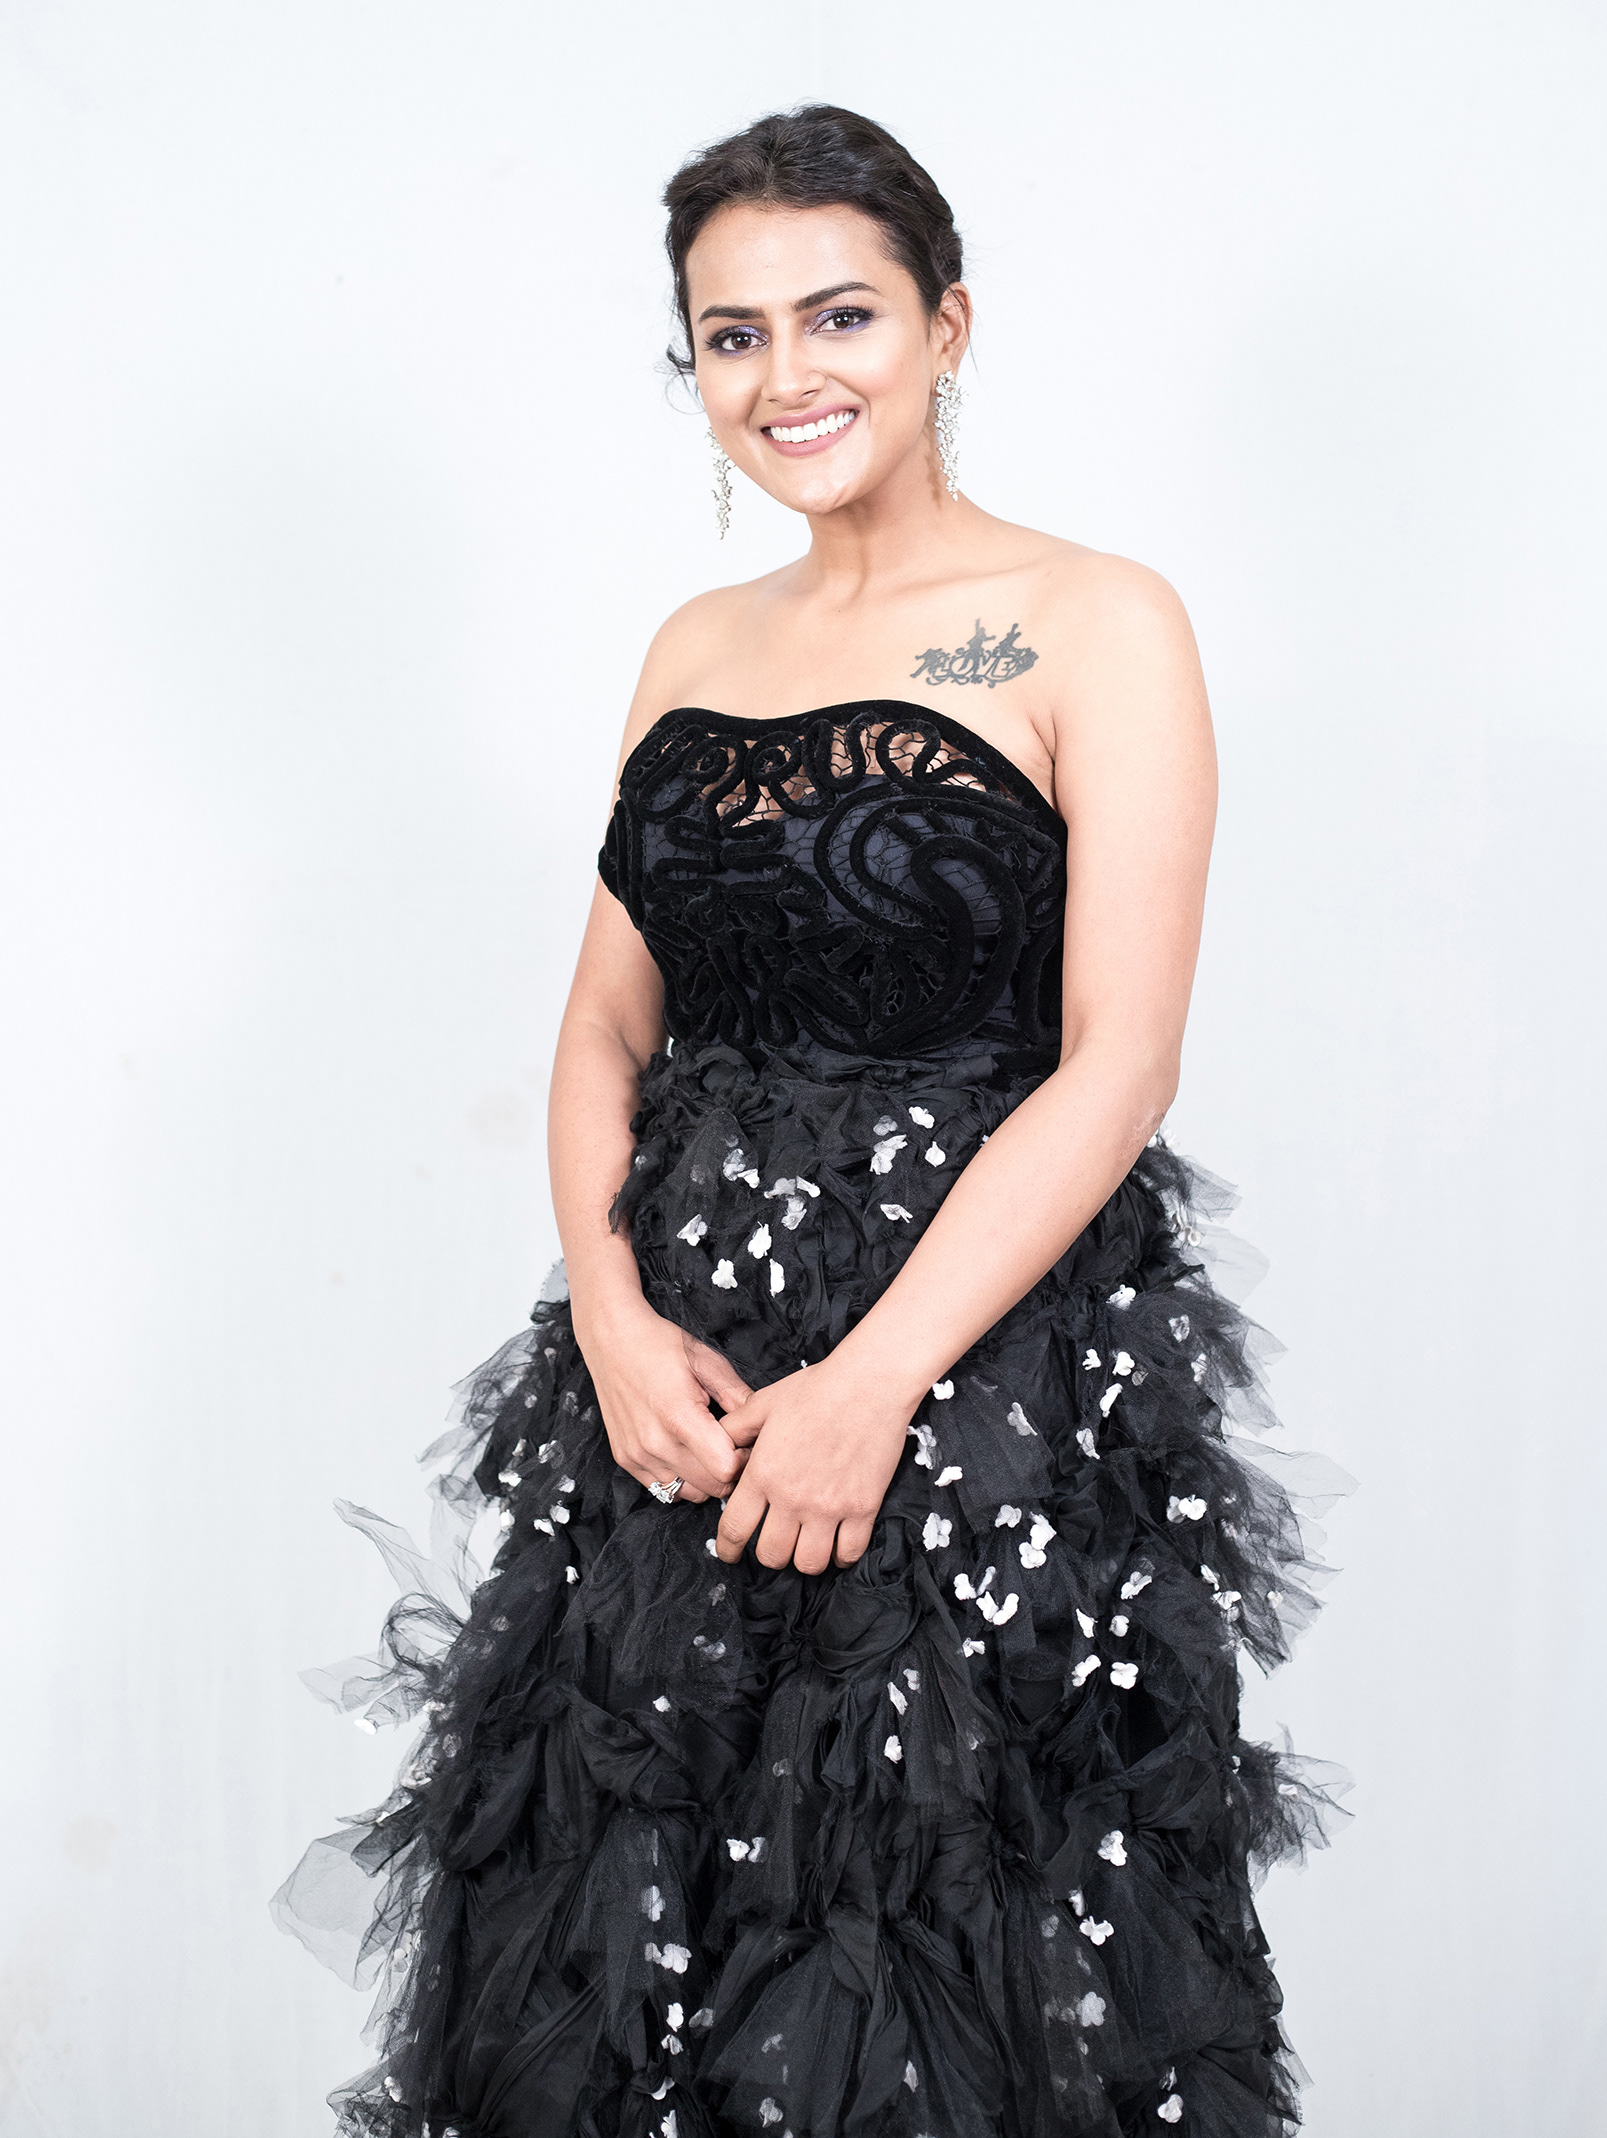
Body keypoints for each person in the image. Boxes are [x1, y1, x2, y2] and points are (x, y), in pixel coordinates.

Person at [276, 103, 1343, 2138]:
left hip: (975, 1374)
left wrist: (875, 1384)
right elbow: (604, 1027)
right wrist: (607, 1314)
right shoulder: (695, 646)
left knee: (943, 1943)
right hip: (675, 1389)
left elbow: (1121, 1059)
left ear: (949, 326)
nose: (788, 374)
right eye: (734, 334)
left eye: (839, 314)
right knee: (627, 1935)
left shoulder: (1098, 619)